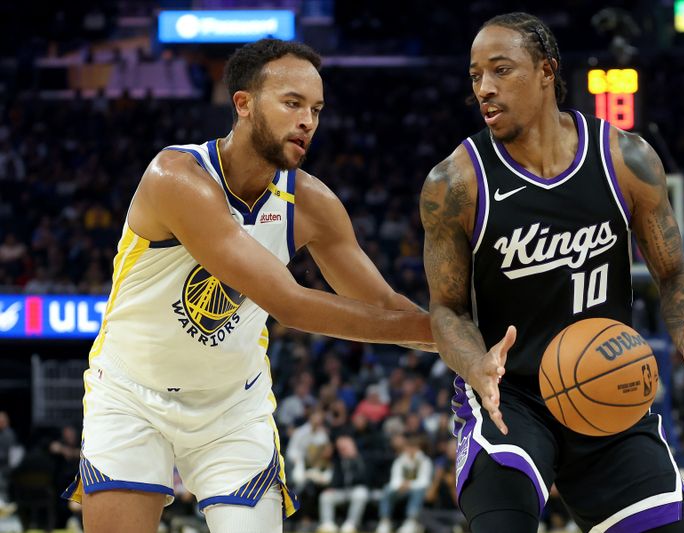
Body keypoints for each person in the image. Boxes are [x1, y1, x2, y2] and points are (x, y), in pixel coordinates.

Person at [63, 38, 434, 533]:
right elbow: (289, 304)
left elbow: (386, 304)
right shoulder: (176, 176)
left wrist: (469, 344)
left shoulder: (313, 205)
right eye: (293, 103)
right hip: (132, 394)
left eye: (317, 110)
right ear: (243, 104)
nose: (308, 121)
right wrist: (445, 336)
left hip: (232, 407)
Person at [420, 12, 684, 533]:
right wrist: (475, 365)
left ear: (547, 71)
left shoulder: (625, 159)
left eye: (501, 70)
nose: (485, 88)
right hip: (511, 395)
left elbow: (675, 273)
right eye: (476, 76)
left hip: (609, 386)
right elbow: (448, 307)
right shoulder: (455, 183)